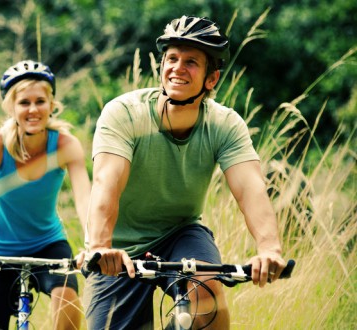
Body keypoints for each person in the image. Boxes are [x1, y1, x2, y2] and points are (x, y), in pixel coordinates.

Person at [82, 16, 288, 329]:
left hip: (180, 232)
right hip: (117, 247)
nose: (178, 68)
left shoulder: (224, 124)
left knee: (208, 293)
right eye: (172, 59)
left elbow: (251, 189)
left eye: (191, 62)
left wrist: (269, 249)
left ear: (211, 78)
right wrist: (99, 246)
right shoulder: (124, 113)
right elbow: (106, 183)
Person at [0, 60, 91, 329]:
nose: (33, 109)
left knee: (68, 300)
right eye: (24, 102)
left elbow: (85, 199)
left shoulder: (66, 145)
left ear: (51, 104)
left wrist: (92, 246)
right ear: (11, 108)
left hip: (47, 245)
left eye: (40, 101)